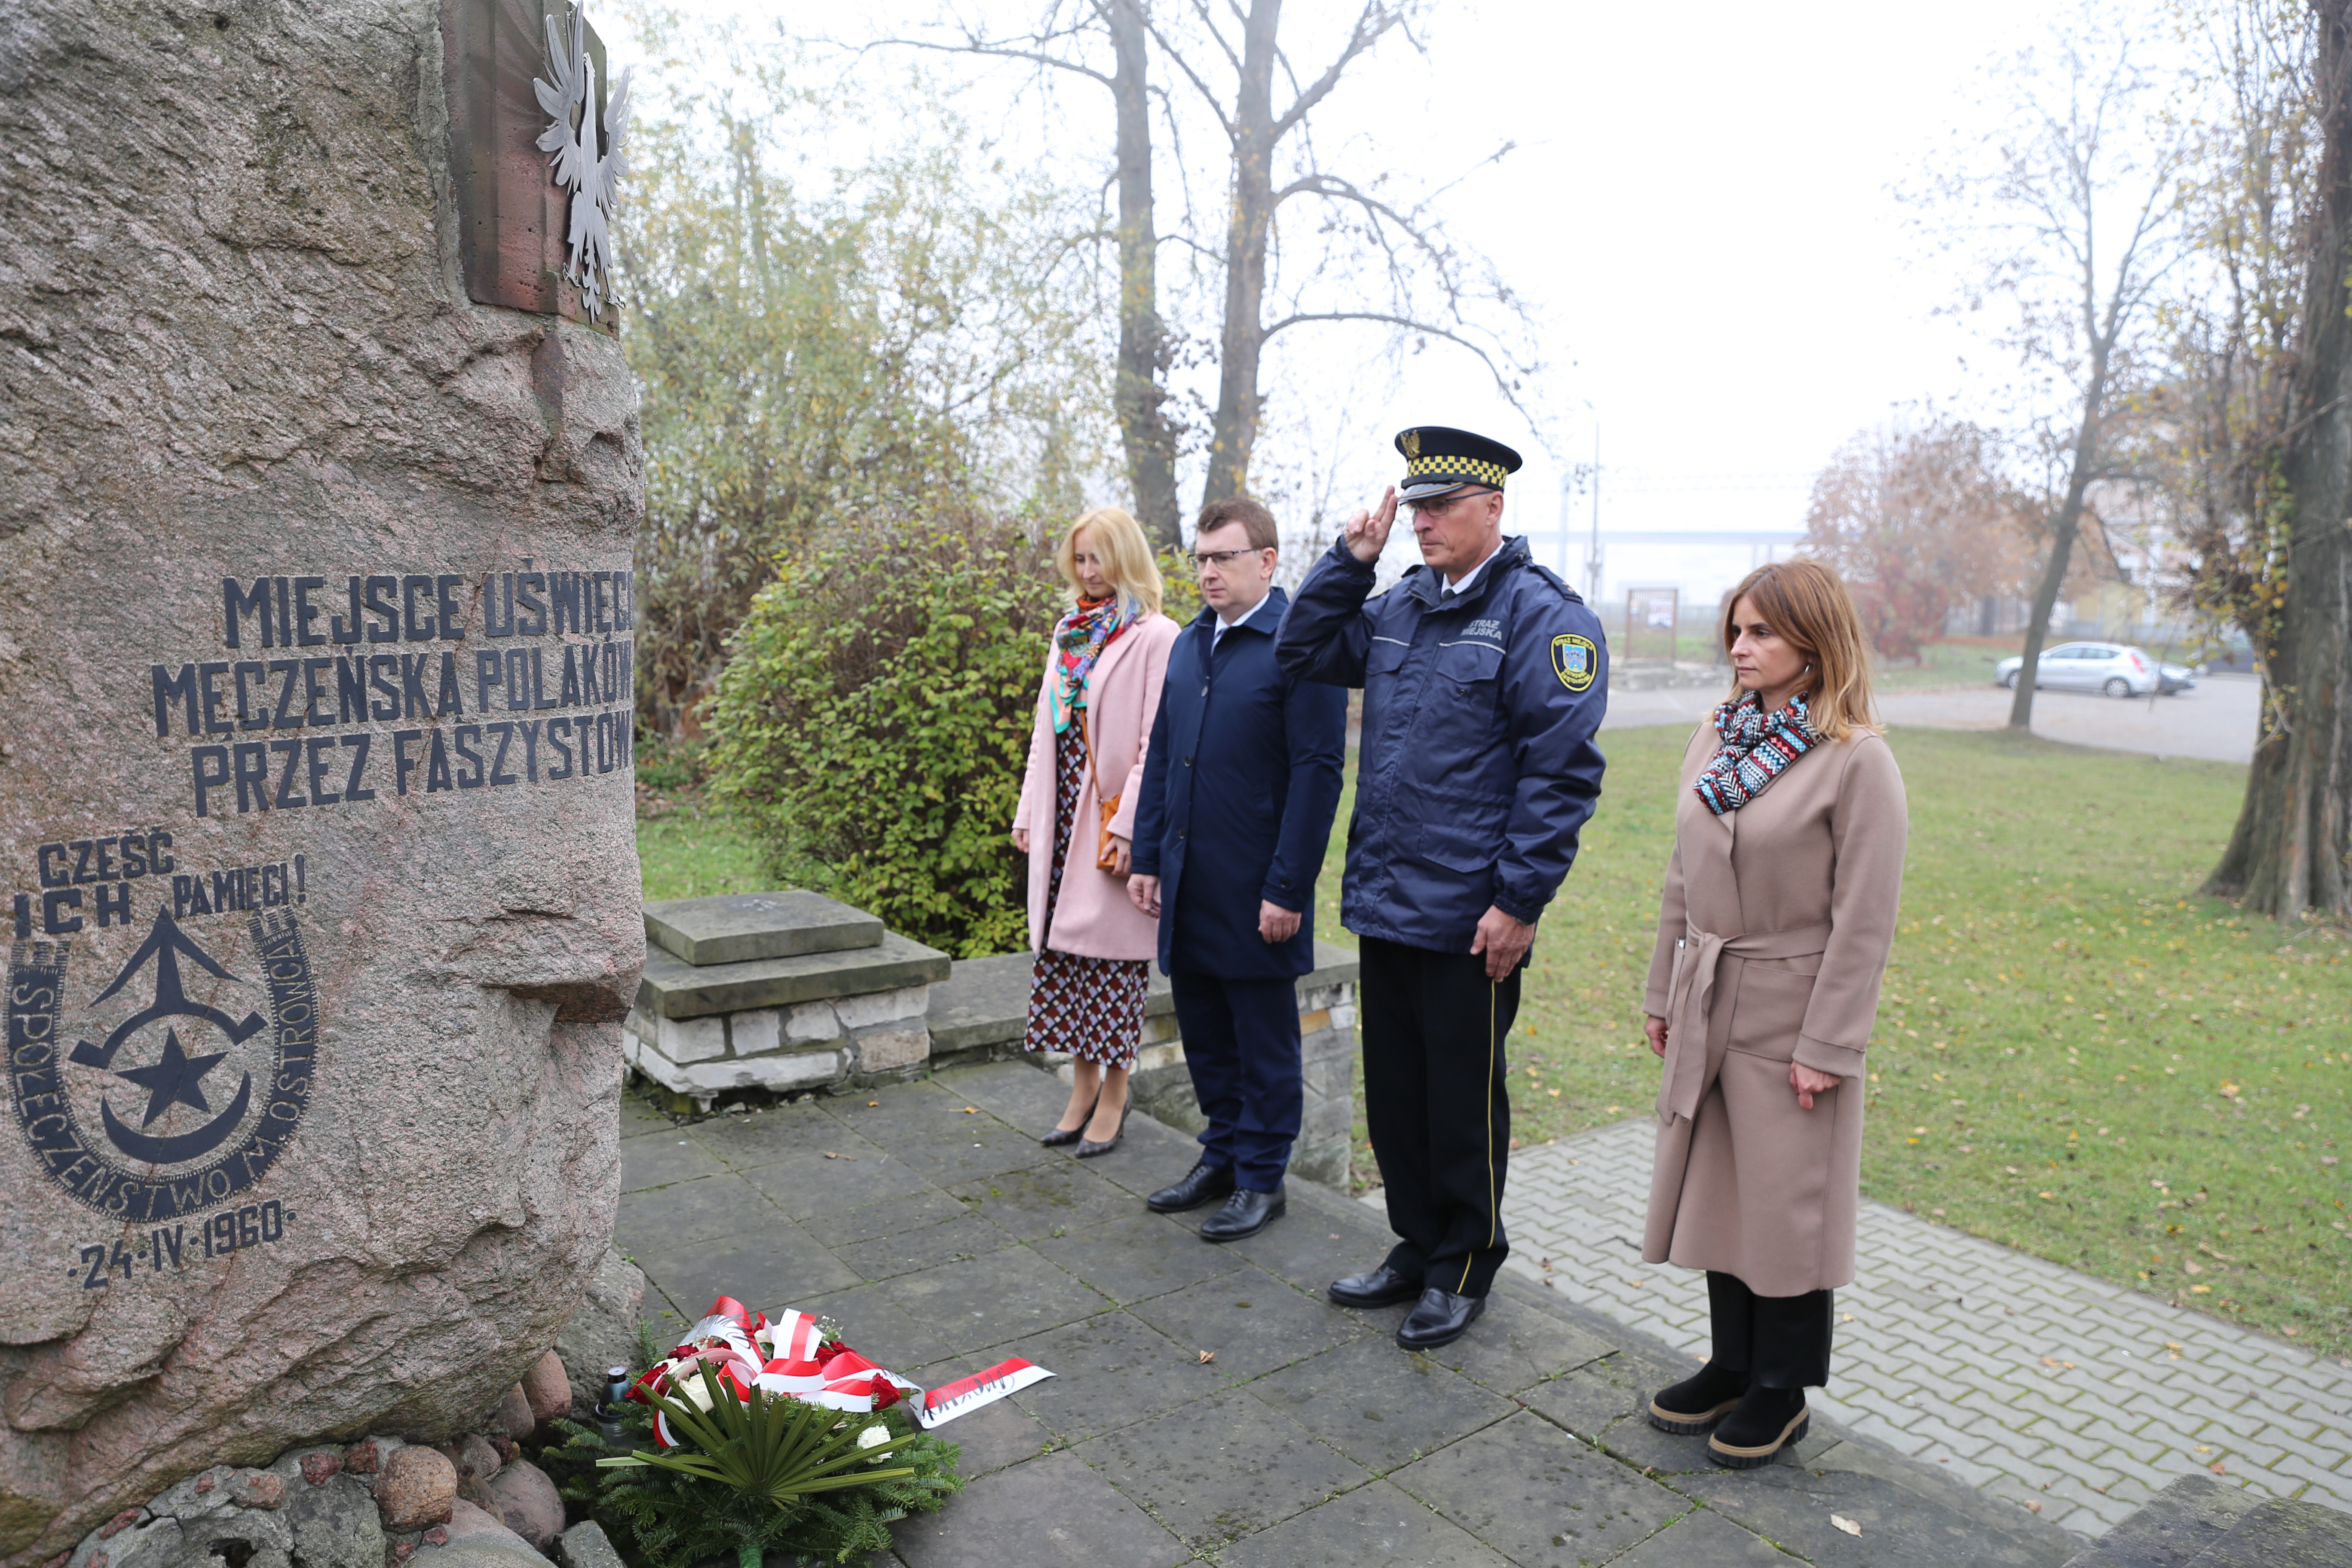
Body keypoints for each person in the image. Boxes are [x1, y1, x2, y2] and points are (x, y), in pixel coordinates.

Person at [1276, 426, 1608, 1351]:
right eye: (1413, 508)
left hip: (1472, 916)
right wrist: (1350, 562)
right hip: (1389, 900)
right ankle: (1416, 1244)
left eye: (1440, 508)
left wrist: (1519, 903)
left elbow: (1562, 774)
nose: (1421, 524)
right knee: (1400, 1095)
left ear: (1492, 508)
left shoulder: (1547, 619)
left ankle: (1466, 1263)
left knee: (1463, 1099)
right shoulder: (1402, 603)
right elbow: (1302, 649)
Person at [1637, 559, 1907, 1468]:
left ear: (1814, 643)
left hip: (1793, 1012)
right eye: (1736, 630)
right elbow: (1683, 872)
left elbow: (1865, 918)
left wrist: (1828, 1042)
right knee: (1720, 1189)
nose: (1740, 647)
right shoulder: (1719, 735)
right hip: (1710, 995)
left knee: (1785, 1206)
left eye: (1761, 632)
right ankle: (1733, 1363)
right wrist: (1662, 991)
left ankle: (1782, 1391)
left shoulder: (1857, 759)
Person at [1127, 497, 1347, 1242]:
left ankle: (1262, 1179)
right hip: (1190, 883)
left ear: (1267, 560)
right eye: (1200, 558)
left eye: (1224, 556)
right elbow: (1163, 756)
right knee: (1208, 1036)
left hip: (1259, 890)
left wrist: (1287, 887)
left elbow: (1319, 775)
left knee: (1264, 1044)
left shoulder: (1301, 646)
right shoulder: (1191, 643)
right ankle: (1220, 1157)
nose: (1209, 571)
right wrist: (1149, 856)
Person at [1011, 506, 1180, 1156]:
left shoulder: (1156, 635)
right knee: (1063, 956)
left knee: (1111, 964)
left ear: (1126, 558)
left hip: (1108, 820)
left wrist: (1132, 827)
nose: (1088, 572)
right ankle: (1080, 1087)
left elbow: (1153, 742)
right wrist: (1029, 813)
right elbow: (1043, 733)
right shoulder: (1071, 631)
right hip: (1059, 818)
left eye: (1099, 559)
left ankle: (1114, 1093)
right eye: (1079, 559)